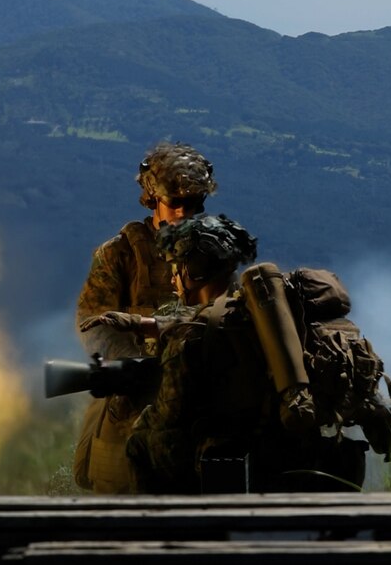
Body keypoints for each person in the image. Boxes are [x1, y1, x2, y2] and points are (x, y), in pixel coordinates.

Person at [82, 214, 374, 494]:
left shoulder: (194, 336)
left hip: (245, 467)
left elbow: (167, 420)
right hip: (304, 455)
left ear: (193, 270)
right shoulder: (271, 315)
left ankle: (163, 531)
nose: (174, 279)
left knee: (140, 440)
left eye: (176, 268)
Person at [71, 141, 216, 493]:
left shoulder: (210, 250)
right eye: (175, 203)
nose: (183, 213)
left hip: (196, 384)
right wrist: (136, 366)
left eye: (193, 204)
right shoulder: (120, 254)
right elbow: (93, 323)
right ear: (153, 198)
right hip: (136, 390)